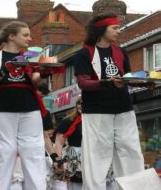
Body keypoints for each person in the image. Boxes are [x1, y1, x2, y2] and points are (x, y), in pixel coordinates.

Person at [74, 12, 144, 190]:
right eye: (114, 28)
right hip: (97, 110)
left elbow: (126, 77)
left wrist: (145, 82)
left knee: (131, 151)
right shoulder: (84, 53)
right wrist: (107, 83)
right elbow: (83, 83)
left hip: (123, 108)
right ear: (102, 29)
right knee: (97, 156)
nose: (118, 31)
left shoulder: (120, 51)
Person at [0, 21, 46, 190]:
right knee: (3, 151)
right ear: (11, 36)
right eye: (25, 35)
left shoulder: (31, 56)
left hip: (29, 106)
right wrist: (5, 69)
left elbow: (37, 80)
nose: (29, 38)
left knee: (33, 149)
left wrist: (45, 71)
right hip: (1, 106)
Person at [54, 98, 82, 190]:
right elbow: (58, 143)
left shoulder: (96, 121)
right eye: (79, 103)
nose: (81, 105)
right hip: (74, 159)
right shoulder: (67, 121)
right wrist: (58, 161)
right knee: (76, 185)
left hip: (93, 157)